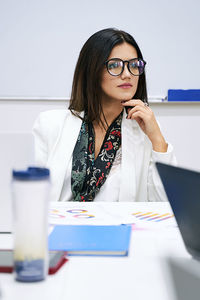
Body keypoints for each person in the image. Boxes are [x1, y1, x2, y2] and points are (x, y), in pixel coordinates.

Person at [33, 28, 176, 202]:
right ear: (92, 71)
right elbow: (33, 197)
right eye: (115, 65)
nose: (127, 74)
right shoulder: (50, 124)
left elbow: (165, 205)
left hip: (120, 228)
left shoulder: (146, 130)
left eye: (134, 65)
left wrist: (157, 140)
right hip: (61, 227)